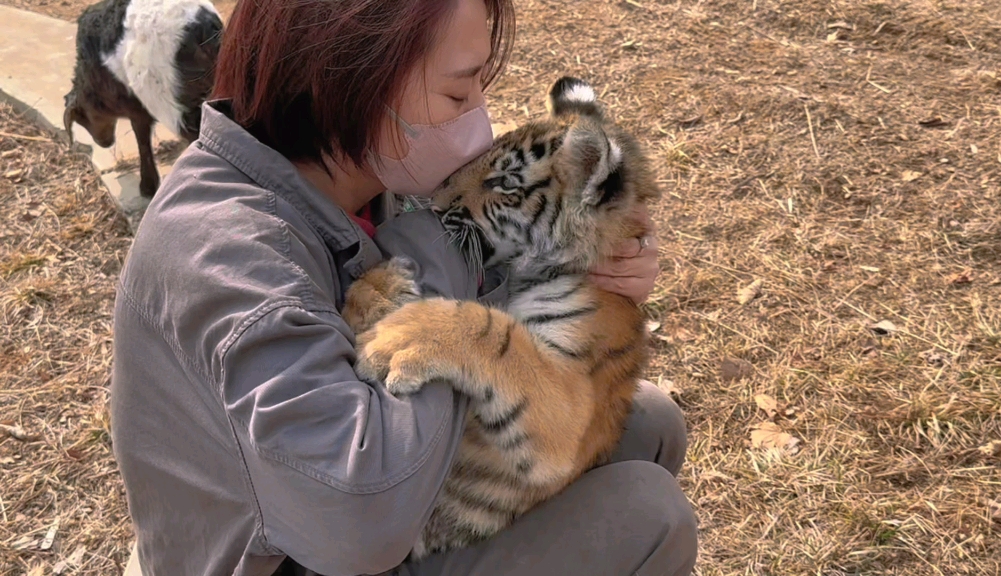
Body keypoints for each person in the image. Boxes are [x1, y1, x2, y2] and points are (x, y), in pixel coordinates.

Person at [109, 0, 699, 574]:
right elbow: (356, 518)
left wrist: (592, 266)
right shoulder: (227, 252)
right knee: (648, 515)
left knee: (648, 424)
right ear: (354, 80)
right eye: (457, 91)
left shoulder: (359, 167)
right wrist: (451, 312)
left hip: (378, 494)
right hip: (306, 546)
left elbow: (493, 263)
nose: (480, 122)